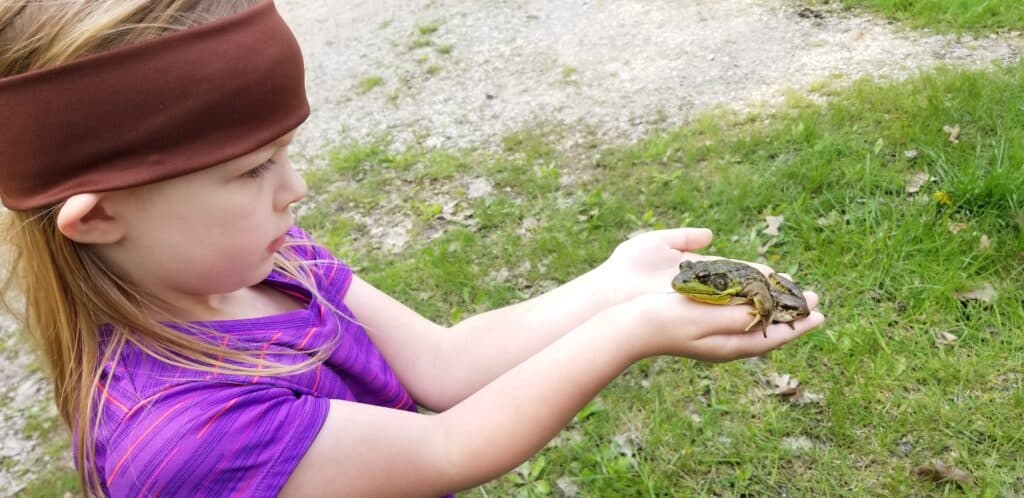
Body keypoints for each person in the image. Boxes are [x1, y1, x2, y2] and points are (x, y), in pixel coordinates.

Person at [0, 1, 824, 497]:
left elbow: (447, 361)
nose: (296, 190)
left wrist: (611, 283)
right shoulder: (187, 435)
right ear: (99, 216)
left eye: (286, 152)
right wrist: (633, 330)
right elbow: (448, 447)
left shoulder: (270, 265)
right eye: (253, 169)